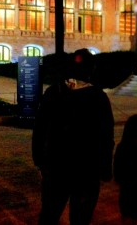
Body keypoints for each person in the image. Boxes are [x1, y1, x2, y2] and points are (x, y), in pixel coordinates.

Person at [33, 49, 115, 225]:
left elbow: (39, 128)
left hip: (55, 166)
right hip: (86, 169)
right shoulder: (98, 98)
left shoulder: (53, 92)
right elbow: (106, 137)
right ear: (91, 70)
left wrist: (39, 159)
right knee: (80, 217)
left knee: (49, 213)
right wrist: (105, 169)